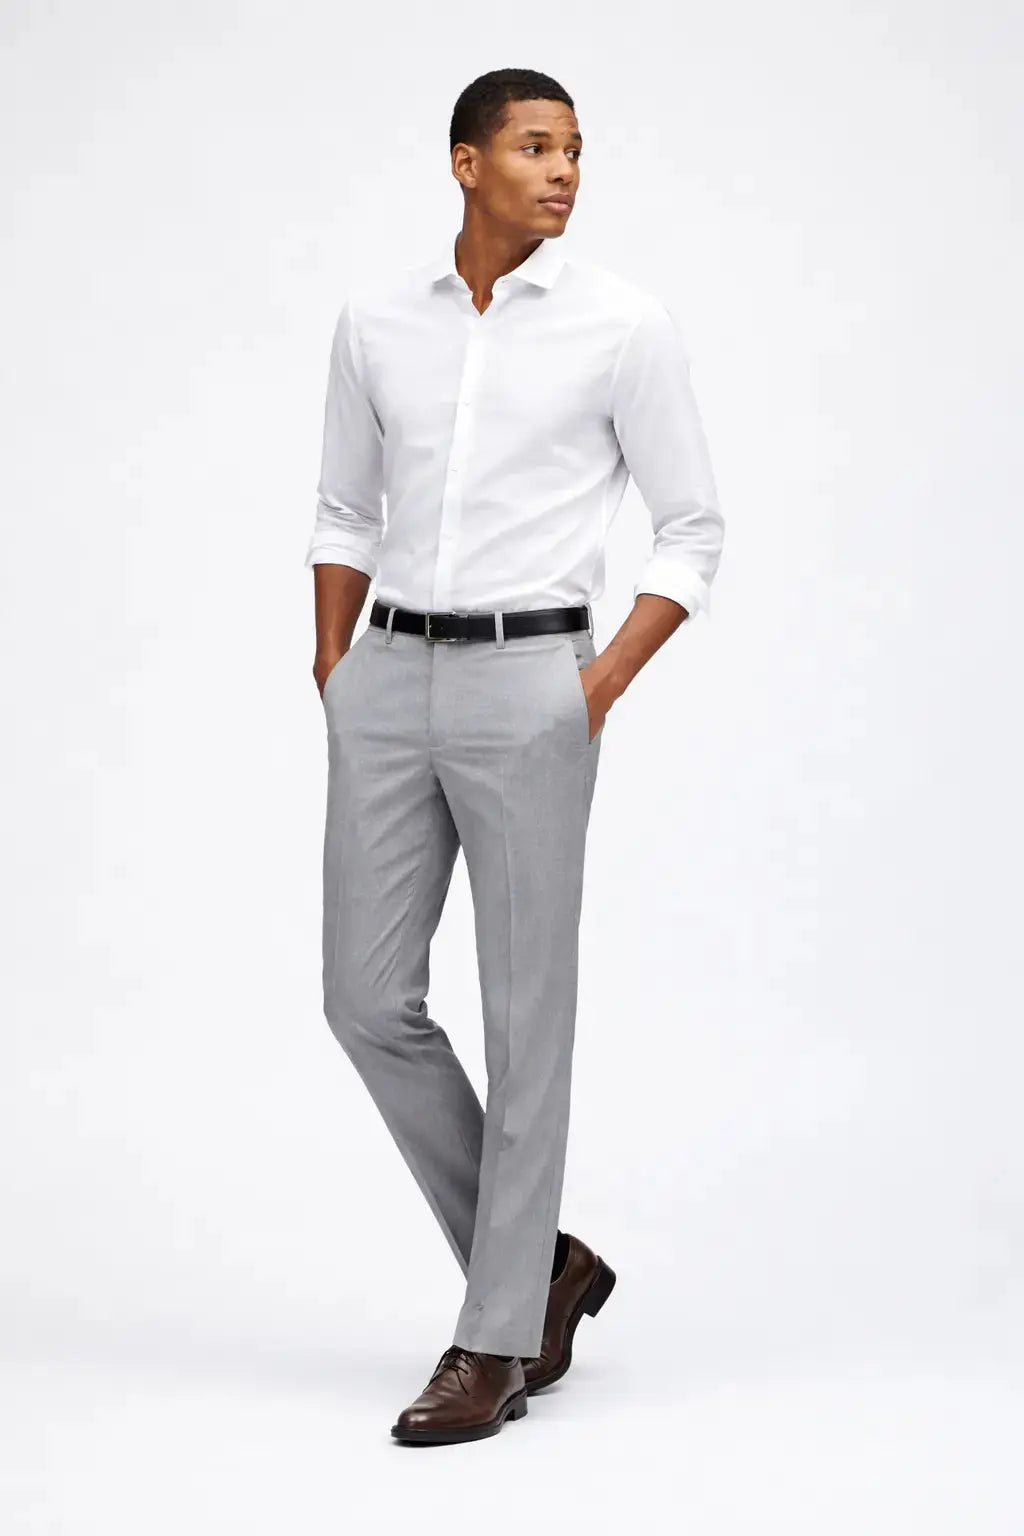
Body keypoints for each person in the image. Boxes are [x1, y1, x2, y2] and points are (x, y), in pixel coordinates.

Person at [305, 67, 724, 1446]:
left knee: (525, 1013)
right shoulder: (377, 323)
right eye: (536, 147)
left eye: (576, 151)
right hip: (387, 674)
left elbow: (692, 530)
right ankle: (543, 1262)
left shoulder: (622, 326)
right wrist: (335, 669)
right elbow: (343, 507)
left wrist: (592, 687)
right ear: (465, 162)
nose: (563, 172)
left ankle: (493, 1340)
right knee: (366, 999)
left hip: (533, 682)